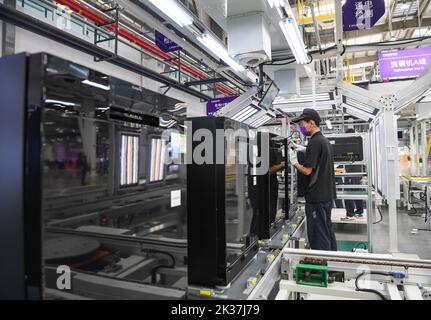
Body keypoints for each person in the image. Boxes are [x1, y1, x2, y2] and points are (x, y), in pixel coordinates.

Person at [289, 109, 337, 251]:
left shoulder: (315, 142)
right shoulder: (323, 141)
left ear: (312, 123)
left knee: (318, 234)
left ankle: (321, 262)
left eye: (303, 124)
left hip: (317, 197)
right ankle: (333, 261)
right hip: (327, 195)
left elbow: (308, 171)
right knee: (327, 230)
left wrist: (294, 162)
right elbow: (318, 158)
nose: (302, 127)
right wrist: (303, 149)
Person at [343, 128, 364, 218]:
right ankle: (359, 211)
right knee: (357, 191)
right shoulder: (358, 141)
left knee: (348, 192)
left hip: (351, 171)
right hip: (358, 171)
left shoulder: (349, 143)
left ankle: (350, 213)